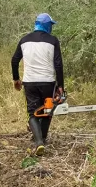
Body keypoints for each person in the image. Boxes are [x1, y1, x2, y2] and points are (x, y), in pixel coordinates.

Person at [11, 13, 64, 156]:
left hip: (30, 82)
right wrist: (60, 86)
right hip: (48, 81)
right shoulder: (53, 41)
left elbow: (14, 60)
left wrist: (16, 79)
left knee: (32, 112)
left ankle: (38, 141)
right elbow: (58, 64)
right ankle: (43, 139)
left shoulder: (24, 40)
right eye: (51, 25)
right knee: (47, 111)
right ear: (47, 25)